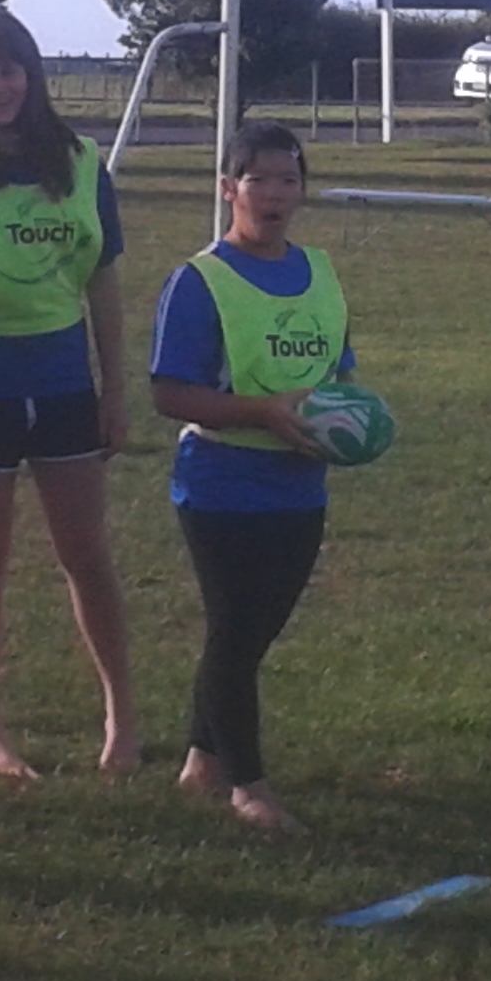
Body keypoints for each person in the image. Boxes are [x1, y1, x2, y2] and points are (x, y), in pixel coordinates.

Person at [0, 6, 138, 779]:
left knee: (87, 553)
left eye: (8, 70)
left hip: (62, 382)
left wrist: (114, 388)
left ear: (31, 73)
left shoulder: (82, 162)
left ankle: (122, 717)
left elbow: (103, 282)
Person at [148, 122, 354, 834]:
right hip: (221, 486)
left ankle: (202, 759)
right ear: (227, 189)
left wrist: (344, 428)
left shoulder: (320, 272)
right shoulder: (199, 281)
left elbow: (340, 377)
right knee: (236, 634)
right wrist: (261, 413)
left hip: (300, 487)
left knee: (250, 633)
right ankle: (249, 786)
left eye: (287, 180)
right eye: (257, 179)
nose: (273, 194)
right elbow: (169, 393)